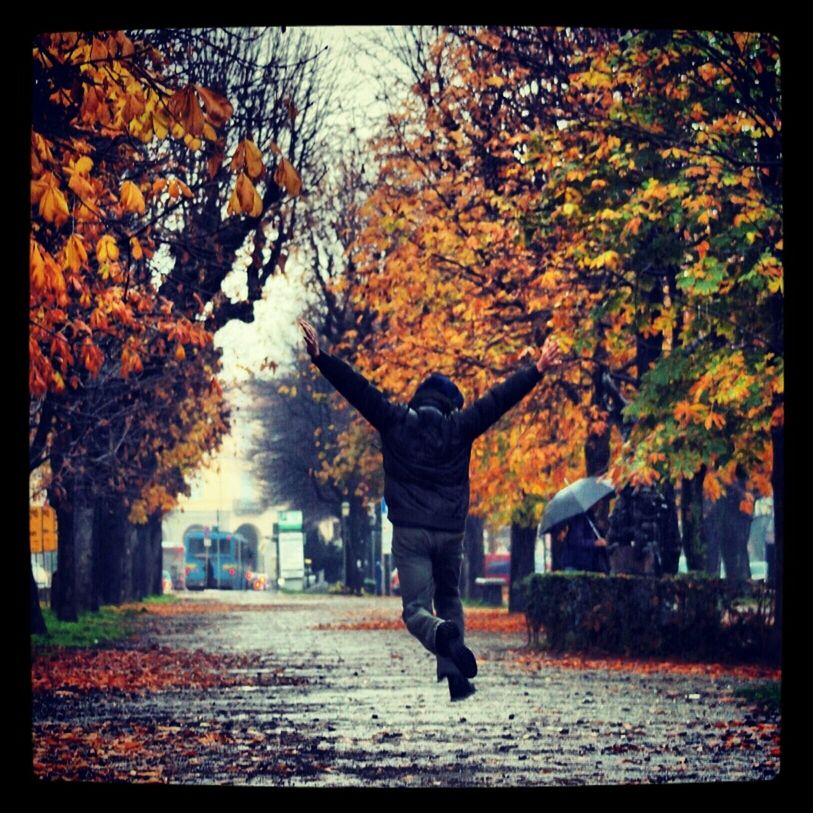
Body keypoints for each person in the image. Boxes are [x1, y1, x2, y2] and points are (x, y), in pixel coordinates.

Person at [299, 319, 562, 701]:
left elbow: (357, 389)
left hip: (411, 532)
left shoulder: (394, 420)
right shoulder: (461, 427)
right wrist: (536, 370)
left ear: (418, 398)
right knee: (450, 598)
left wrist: (322, 358)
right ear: (452, 405)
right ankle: (457, 678)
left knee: (417, 611)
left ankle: (441, 635)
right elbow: (499, 399)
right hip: (451, 532)